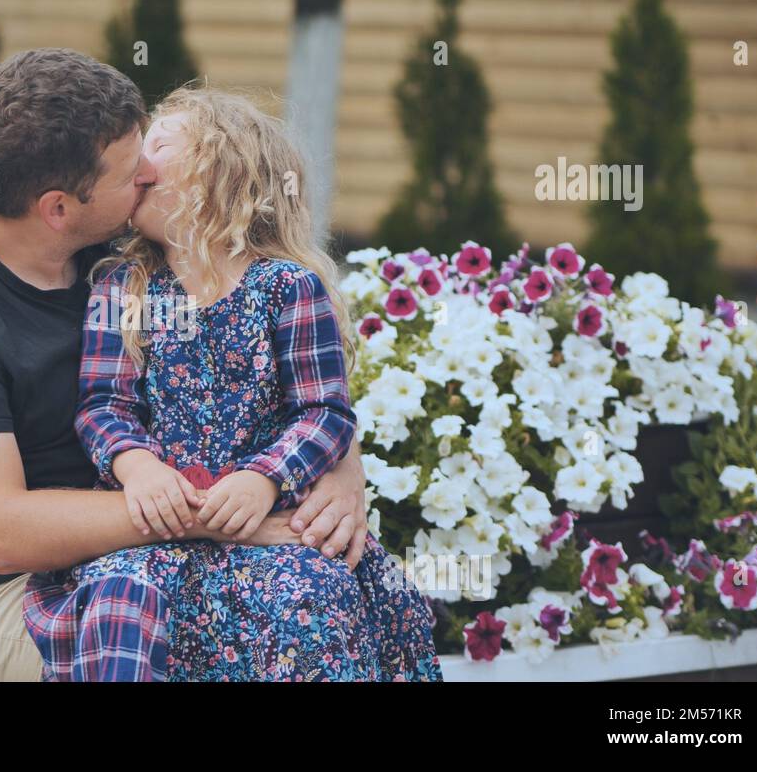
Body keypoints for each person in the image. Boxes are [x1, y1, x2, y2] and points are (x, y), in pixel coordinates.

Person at [0, 48, 373, 682]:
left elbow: (291, 374)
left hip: (141, 558)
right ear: (58, 207)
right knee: (212, 649)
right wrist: (235, 519)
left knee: (288, 622)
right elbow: (3, 535)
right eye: (134, 168)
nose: (151, 172)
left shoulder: (128, 246)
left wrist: (339, 467)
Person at [22, 88, 443, 681]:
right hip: (153, 532)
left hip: (267, 528)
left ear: (222, 173)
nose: (139, 162)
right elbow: (101, 403)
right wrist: (136, 465)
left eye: (160, 145)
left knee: (308, 602)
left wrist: (263, 478)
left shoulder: (288, 289)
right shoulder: (123, 287)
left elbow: (324, 410)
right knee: (117, 601)